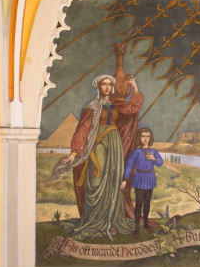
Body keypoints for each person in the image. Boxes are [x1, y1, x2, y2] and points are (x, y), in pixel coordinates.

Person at [50, 74, 142, 240]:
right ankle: (95, 222)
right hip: (98, 142)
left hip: (115, 144)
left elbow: (134, 108)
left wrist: (134, 87)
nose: (107, 87)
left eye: (109, 84)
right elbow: (82, 130)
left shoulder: (117, 105)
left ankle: (111, 222)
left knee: (113, 181)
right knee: (96, 181)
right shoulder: (91, 107)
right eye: (104, 84)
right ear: (99, 87)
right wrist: (74, 153)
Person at [121, 127, 163, 238]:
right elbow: (129, 165)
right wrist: (125, 179)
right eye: (143, 136)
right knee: (139, 204)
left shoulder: (153, 152)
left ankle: (146, 224)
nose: (145, 139)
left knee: (147, 203)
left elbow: (160, 163)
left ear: (150, 138)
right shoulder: (136, 152)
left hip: (150, 178)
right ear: (139, 138)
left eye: (147, 136)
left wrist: (154, 159)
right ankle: (136, 227)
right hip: (139, 178)